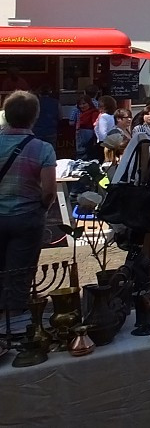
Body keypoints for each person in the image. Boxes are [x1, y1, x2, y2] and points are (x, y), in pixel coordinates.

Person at [0, 91, 57, 314]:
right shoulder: (42, 148)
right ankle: (15, 324)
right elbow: (49, 190)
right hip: (26, 216)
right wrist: (42, 207)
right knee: (20, 273)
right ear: (35, 116)